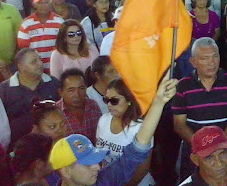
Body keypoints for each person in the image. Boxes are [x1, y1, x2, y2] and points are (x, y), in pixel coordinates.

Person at [49, 74, 177, 186]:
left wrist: (158, 103)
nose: (97, 167)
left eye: (95, 160)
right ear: (66, 171)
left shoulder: (105, 180)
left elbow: (136, 151)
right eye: (87, 164)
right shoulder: (104, 120)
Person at [172, 38, 227, 183]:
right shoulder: (183, 86)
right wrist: (202, 147)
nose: (212, 62)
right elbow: (179, 124)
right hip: (194, 152)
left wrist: (218, 145)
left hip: (225, 151)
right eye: (205, 58)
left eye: (215, 56)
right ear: (193, 62)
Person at [0, 48, 61, 146]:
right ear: (21, 67)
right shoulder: (4, 90)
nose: (40, 64)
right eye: (34, 62)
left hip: (53, 145)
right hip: (17, 147)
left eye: (40, 59)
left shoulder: (53, 84)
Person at [95, 79, 154, 186]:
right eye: (106, 100)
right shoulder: (103, 119)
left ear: (129, 100)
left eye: (114, 101)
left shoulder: (140, 128)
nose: (109, 104)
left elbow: (142, 168)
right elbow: (98, 154)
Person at [18, 0, 64, 73]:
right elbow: (23, 49)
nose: (43, 6)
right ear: (34, 4)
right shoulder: (26, 24)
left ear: (50, 3)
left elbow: (64, 44)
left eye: (46, 2)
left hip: (56, 66)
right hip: (35, 69)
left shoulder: (59, 21)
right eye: (40, 3)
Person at [56, 68, 102, 144]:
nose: (77, 94)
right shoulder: (55, 112)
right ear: (60, 92)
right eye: (71, 90)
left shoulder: (93, 106)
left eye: (81, 88)